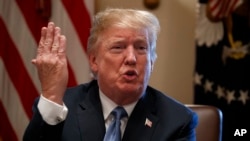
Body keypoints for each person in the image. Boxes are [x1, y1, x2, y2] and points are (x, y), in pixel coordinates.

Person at [23, 8, 198, 141]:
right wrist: (52, 94)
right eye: (118, 47)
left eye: (141, 48)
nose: (131, 58)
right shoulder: (61, 108)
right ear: (94, 61)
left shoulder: (178, 121)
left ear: (152, 62)